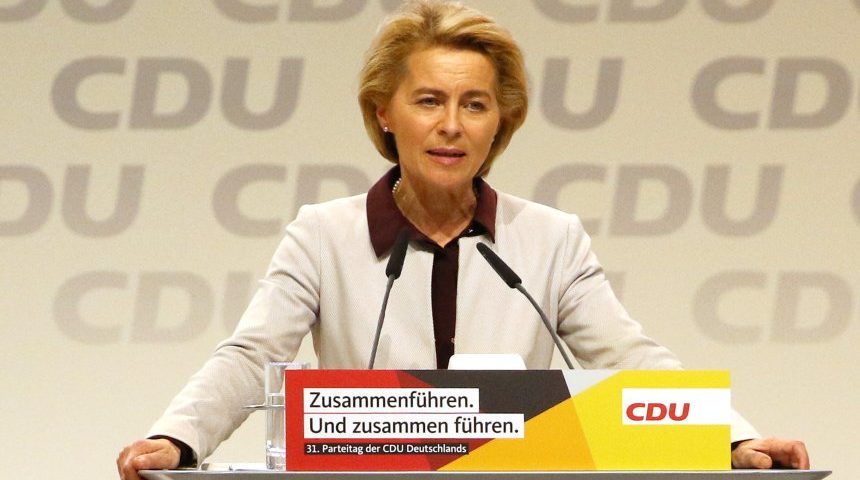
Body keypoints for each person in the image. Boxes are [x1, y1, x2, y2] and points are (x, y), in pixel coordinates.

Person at [117, 1, 809, 478]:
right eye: (429, 101)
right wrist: (177, 438)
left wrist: (735, 438)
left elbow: (630, 360)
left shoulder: (550, 240)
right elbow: (252, 356)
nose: (452, 125)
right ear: (384, 113)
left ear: (499, 122)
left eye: (474, 104)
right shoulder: (323, 235)